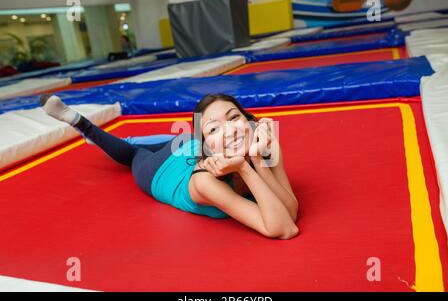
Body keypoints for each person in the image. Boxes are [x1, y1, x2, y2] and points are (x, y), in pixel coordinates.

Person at [40, 93, 299, 239]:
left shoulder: (264, 145)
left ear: (250, 120)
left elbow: (290, 215)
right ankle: (81, 123)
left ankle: (110, 138)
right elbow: (283, 229)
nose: (231, 130)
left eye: (234, 118)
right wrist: (243, 167)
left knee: (177, 138)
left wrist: (256, 160)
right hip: (160, 170)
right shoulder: (205, 181)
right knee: (132, 152)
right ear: (206, 143)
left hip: (187, 143)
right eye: (214, 127)